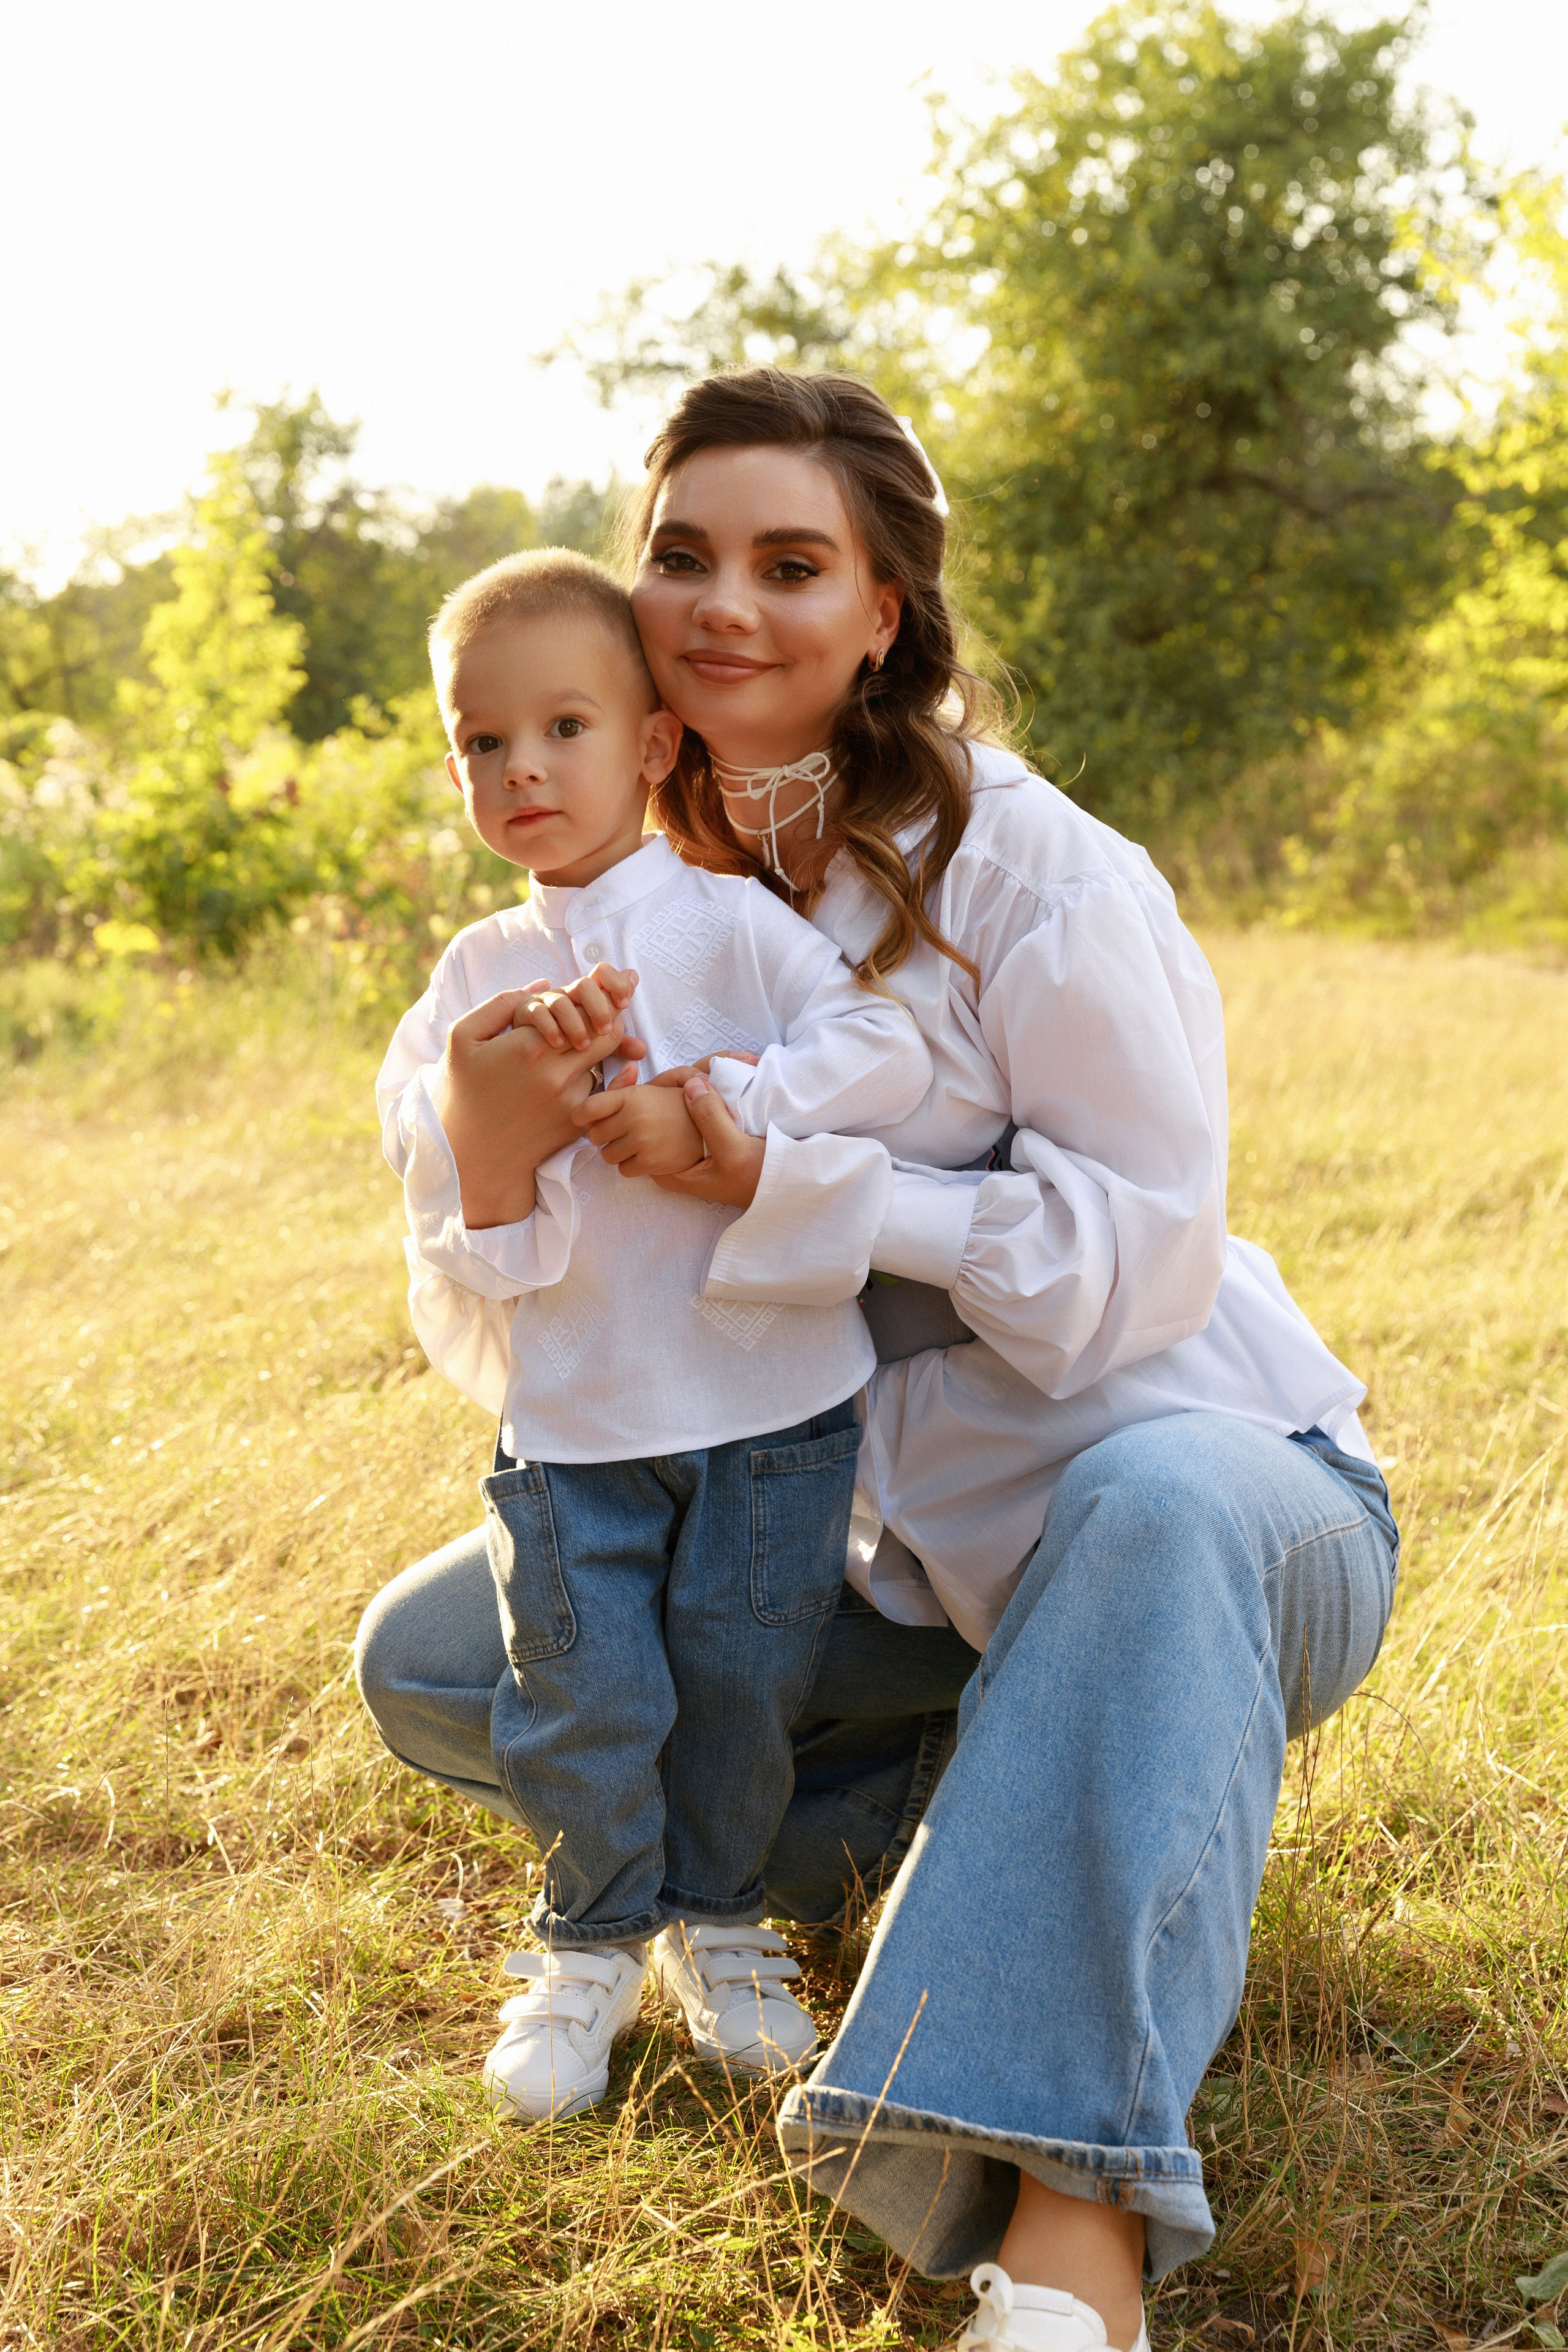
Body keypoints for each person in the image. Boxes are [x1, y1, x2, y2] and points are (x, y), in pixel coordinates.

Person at [356, 374, 1398, 2352]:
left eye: (791, 563)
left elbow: (1145, 1272)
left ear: (886, 614)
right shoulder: (625, 879)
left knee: (1154, 1494)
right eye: (682, 556)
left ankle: (1068, 2246)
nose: (724, 601)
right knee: (434, 1661)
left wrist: (807, 1180)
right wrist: (496, 1149)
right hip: (871, 1559)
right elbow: (529, 1337)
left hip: (1222, 1503)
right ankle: (1031, 1805)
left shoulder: (1032, 871)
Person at [375, 546, 933, 2123]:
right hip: (576, 1426)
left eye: (562, 726)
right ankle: (589, 1935)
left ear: (652, 743)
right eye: (482, 742)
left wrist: (719, 1103)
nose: (520, 767)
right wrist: (495, 1136)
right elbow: (455, 1223)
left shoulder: (731, 927)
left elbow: (876, 1048)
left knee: (743, 1678)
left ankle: (723, 1914)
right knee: (583, 1690)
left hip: (767, 1411)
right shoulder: (474, 979)